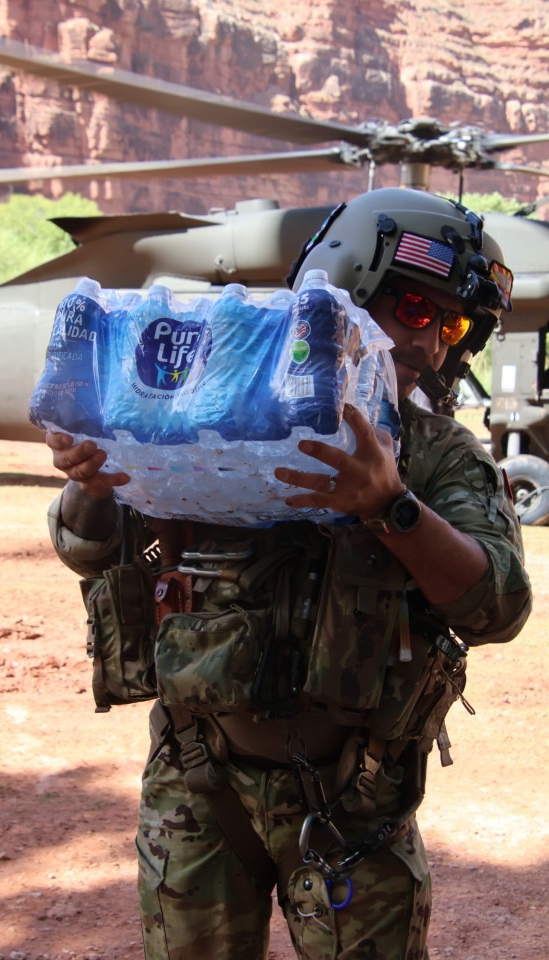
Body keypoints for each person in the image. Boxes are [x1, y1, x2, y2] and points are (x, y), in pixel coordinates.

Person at [45, 188, 531, 960]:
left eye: (453, 325)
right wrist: (92, 482)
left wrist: (391, 507)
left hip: (352, 800)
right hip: (197, 782)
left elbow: (497, 606)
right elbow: (98, 551)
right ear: (350, 287)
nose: (433, 344)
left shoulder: (437, 455)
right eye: (414, 309)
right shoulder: (217, 399)